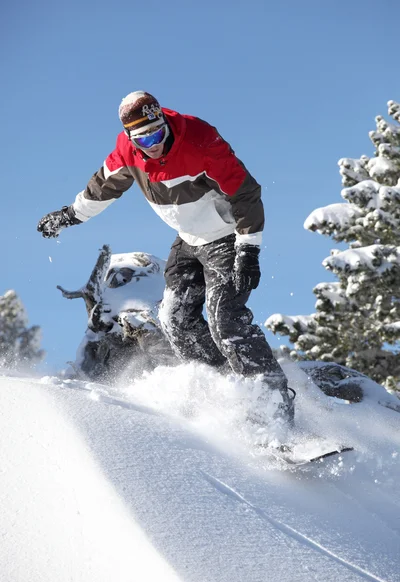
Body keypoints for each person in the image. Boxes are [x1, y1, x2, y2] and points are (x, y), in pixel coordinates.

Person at [37, 90, 296, 433]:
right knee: (174, 319)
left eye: (157, 134)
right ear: (131, 138)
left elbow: (245, 191)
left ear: (165, 123)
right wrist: (70, 215)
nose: (153, 144)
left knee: (225, 318)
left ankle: (274, 407)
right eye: (143, 139)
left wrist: (248, 249)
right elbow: (102, 187)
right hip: (188, 240)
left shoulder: (200, 139)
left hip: (226, 236)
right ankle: (228, 391)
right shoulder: (128, 152)